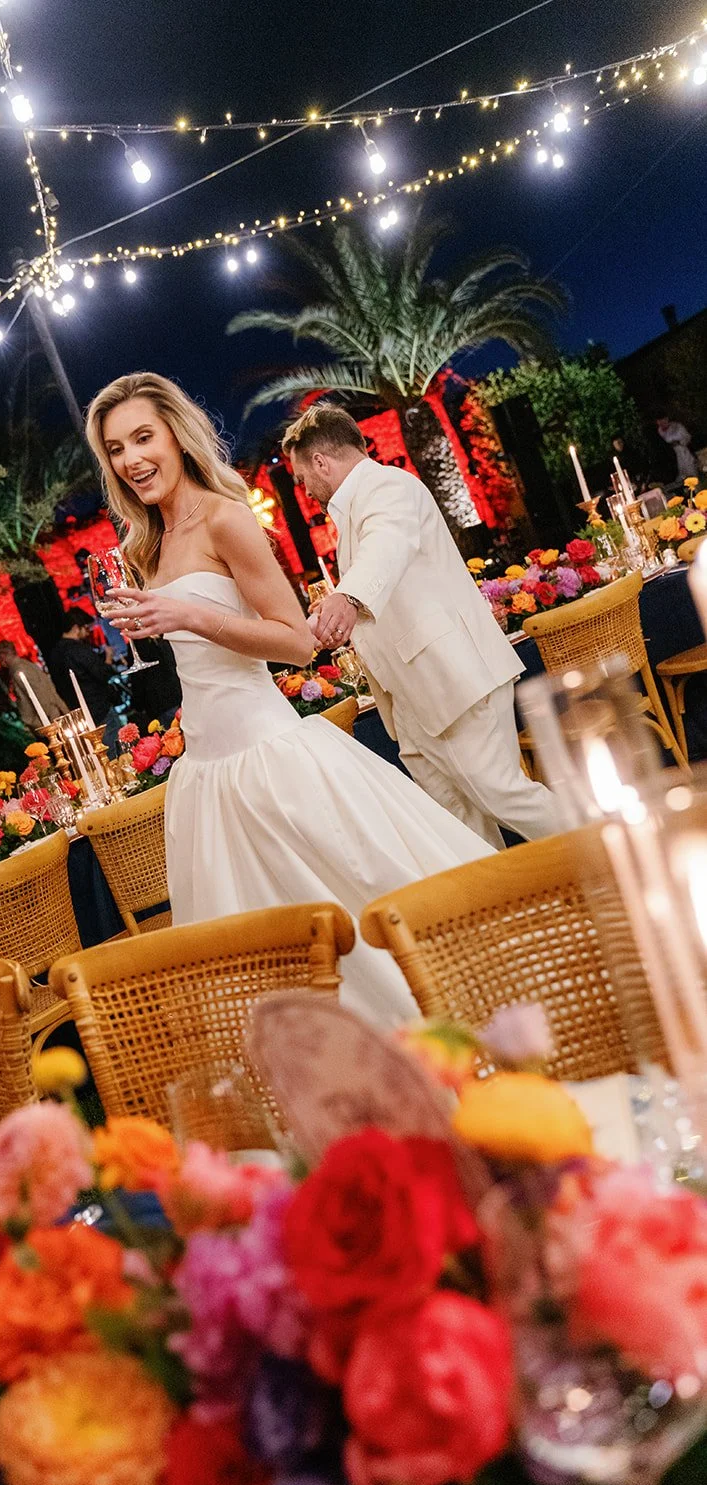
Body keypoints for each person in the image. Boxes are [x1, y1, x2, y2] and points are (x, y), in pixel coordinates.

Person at [84, 371, 494, 1031]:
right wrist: (160, 619)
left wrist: (184, 613)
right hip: (208, 777)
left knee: (358, 920)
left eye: (141, 437)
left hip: (270, 759)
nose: (131, 459)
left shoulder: (224, 518)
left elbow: (295, 643)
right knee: (258, 961)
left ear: (176, 437)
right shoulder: (146, 545)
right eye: (115, 449)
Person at [284, 403, 560, 851]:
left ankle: (609, 848)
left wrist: (348, 597)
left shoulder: (387, 486)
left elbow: (387, 546)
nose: (305, 488)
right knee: (456, 819)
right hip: (414, 698)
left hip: (454, 679)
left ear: (320, 461)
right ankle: (505, 904)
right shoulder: (357, 508)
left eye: (302, 477)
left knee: (502, 794)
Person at [49, 608, 117, 737]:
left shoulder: (54, 654)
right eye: (86, 628)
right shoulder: (78, 649)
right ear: (76, 628)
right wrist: (108, 658)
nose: (88, 633)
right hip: (98, 709)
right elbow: (102, 674)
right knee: (117, 748)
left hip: (79, 715)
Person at [0, 640, 68, 730]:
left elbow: (38, 693)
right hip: (51, 716)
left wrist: (46, 721)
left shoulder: (19, 672)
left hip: (48, 721)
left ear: (3, 656)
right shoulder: (26, 664)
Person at [656, 416, 698, 484]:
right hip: (672, 453)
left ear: (666, 419)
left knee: (688, 466)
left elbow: (687, 437)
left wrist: (680, 442)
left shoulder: (677, 426)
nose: (661, 423)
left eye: (663, 421)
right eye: (659, 422)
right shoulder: (660, 430)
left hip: (683, 450)